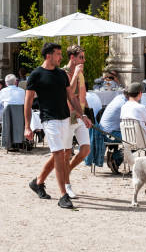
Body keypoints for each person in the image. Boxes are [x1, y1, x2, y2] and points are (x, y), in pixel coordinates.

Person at [24, 43, 91, 209]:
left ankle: (38, 182)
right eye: (58, 54)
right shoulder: (36, 75)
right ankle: (63, 195)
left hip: (65, 118)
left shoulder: (61, 74)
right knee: (60, 154)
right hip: (49, 119)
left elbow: (72, 97)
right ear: (49, 55)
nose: (61, 57)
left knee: (57, 155)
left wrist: (82, 115)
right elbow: (27, 102)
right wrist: (27, 126)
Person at [62, 45, 90, 199]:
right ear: (72, 57)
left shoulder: (80, 73)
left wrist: (83, 113)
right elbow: (69, 93)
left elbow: (82, 94)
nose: (83, 60)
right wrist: (76, 74)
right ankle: (66, 185)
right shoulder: (64, 73)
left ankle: (67, 171)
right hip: (67, 116)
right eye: (81, 57)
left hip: (79, 115)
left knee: (85, 149)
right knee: (66, 153)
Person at [86, 91, 128, 170]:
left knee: (133, 137)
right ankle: (115, 158)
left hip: (103, 131)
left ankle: (115, 157)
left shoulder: (119, 98)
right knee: (134, 140)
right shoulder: (124, 104)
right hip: (107, 135)